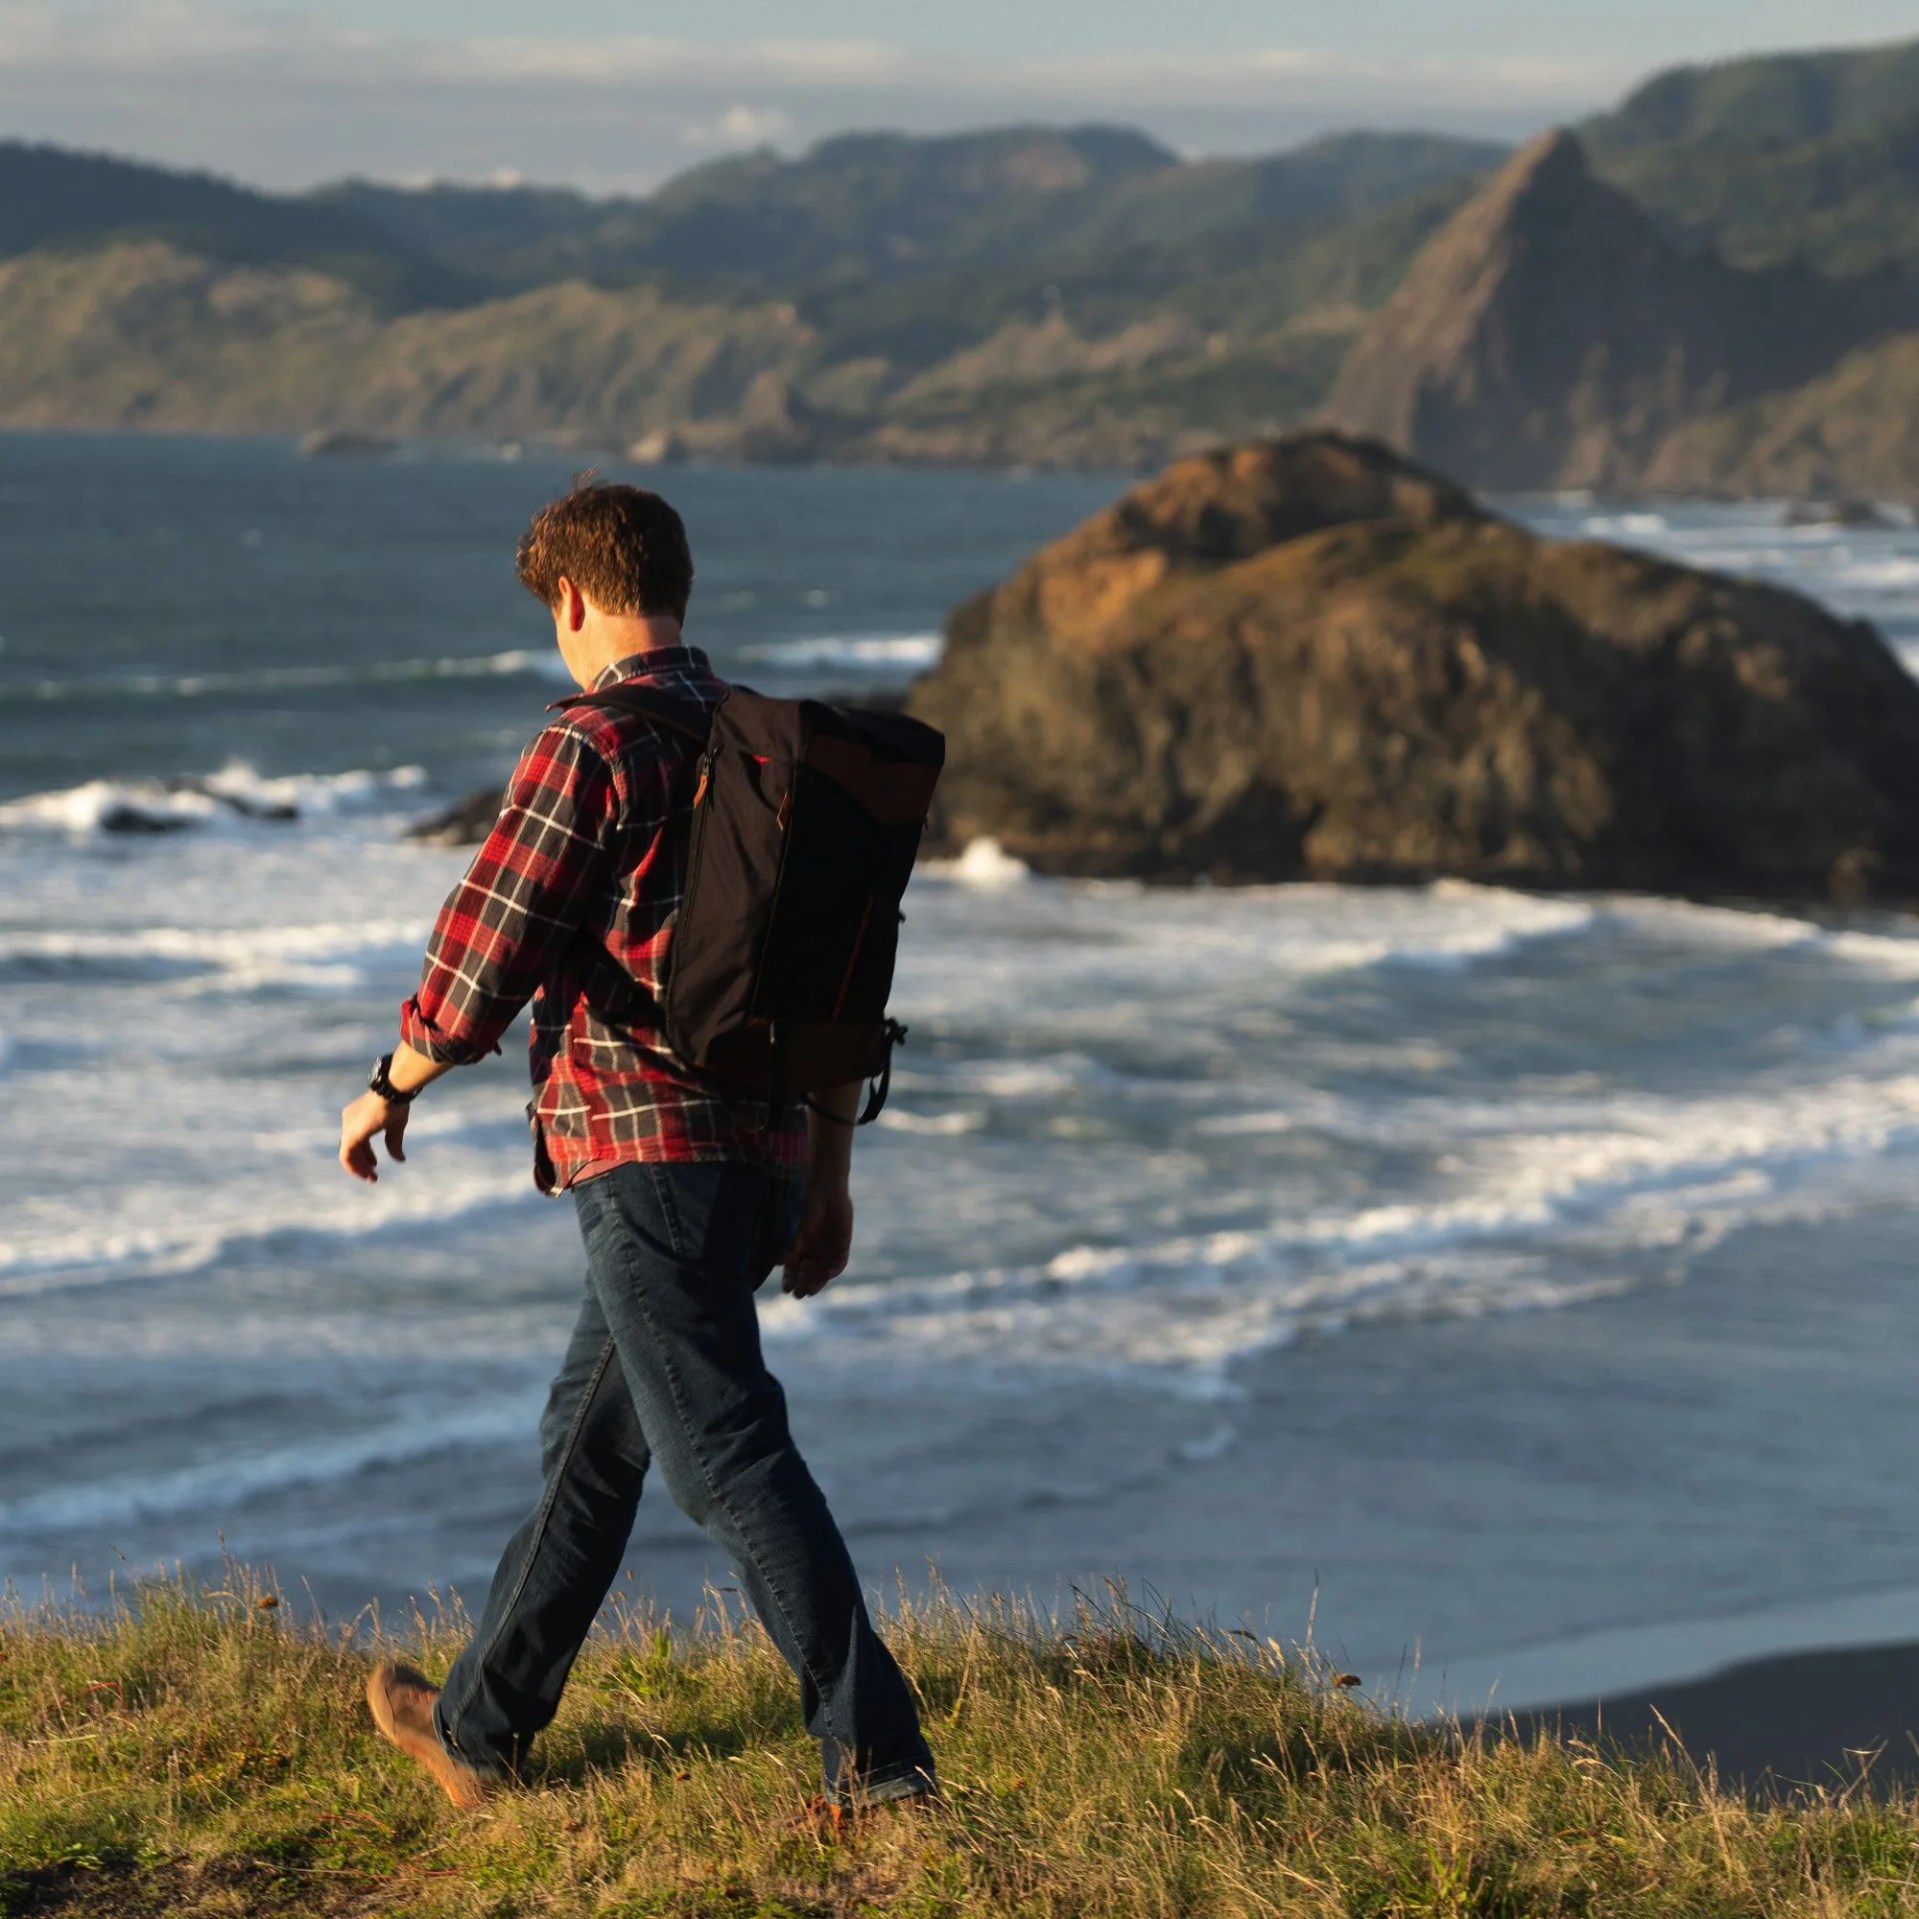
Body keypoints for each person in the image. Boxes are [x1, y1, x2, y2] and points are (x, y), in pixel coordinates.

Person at [338, 482, 936, 1812]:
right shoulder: (766, 747)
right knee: (592, 1441)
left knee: (723, 1453)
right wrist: (827, 1183)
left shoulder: (595, 741)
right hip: (768, 1154)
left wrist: (391, 1081)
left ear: (571, 600)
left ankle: (882, 1765)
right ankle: (482, 1730)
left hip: (646, 1154)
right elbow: (846, 982)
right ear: (676, 581)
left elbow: (486, 949)